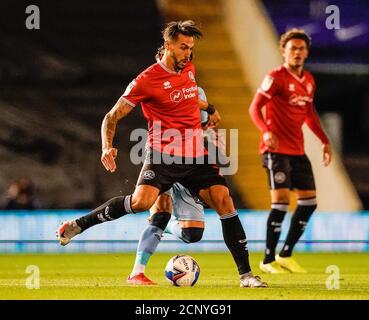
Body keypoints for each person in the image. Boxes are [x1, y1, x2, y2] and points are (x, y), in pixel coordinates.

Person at [57, 20, 267, 288]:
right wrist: (106, 146)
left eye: (190, 48)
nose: (188, 53)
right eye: (183, 47)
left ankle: (246, 276)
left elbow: (189, 94)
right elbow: (111, 116)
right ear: (167, 45)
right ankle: (78, 225)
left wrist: (210, 107)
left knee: (224, 201)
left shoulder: (188, 67)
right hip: (163, 155)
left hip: (196, 156)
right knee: (142, 203)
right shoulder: (146, 80)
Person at [249, 29, 332, 274]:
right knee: (281, 202)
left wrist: (325, 141)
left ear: (306, 52)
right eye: (292, 48)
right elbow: (255, 108)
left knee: (309, 202)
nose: (297, 52)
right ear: (283, 51)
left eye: (301, 48)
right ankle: (266, 260)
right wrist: (265, 131)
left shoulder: (308, 80)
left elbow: (309, 114)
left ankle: (285, 254)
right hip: (275, 151)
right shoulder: (275, 77)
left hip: (298, 150)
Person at [127, 87, 210, 285]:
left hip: (189, 161)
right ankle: (137, 272)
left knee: (193, 235)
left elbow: (205, 125)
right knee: (159, 215)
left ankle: (170, 226)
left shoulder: (197, 93)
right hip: (161, 158)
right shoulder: (159, 88)